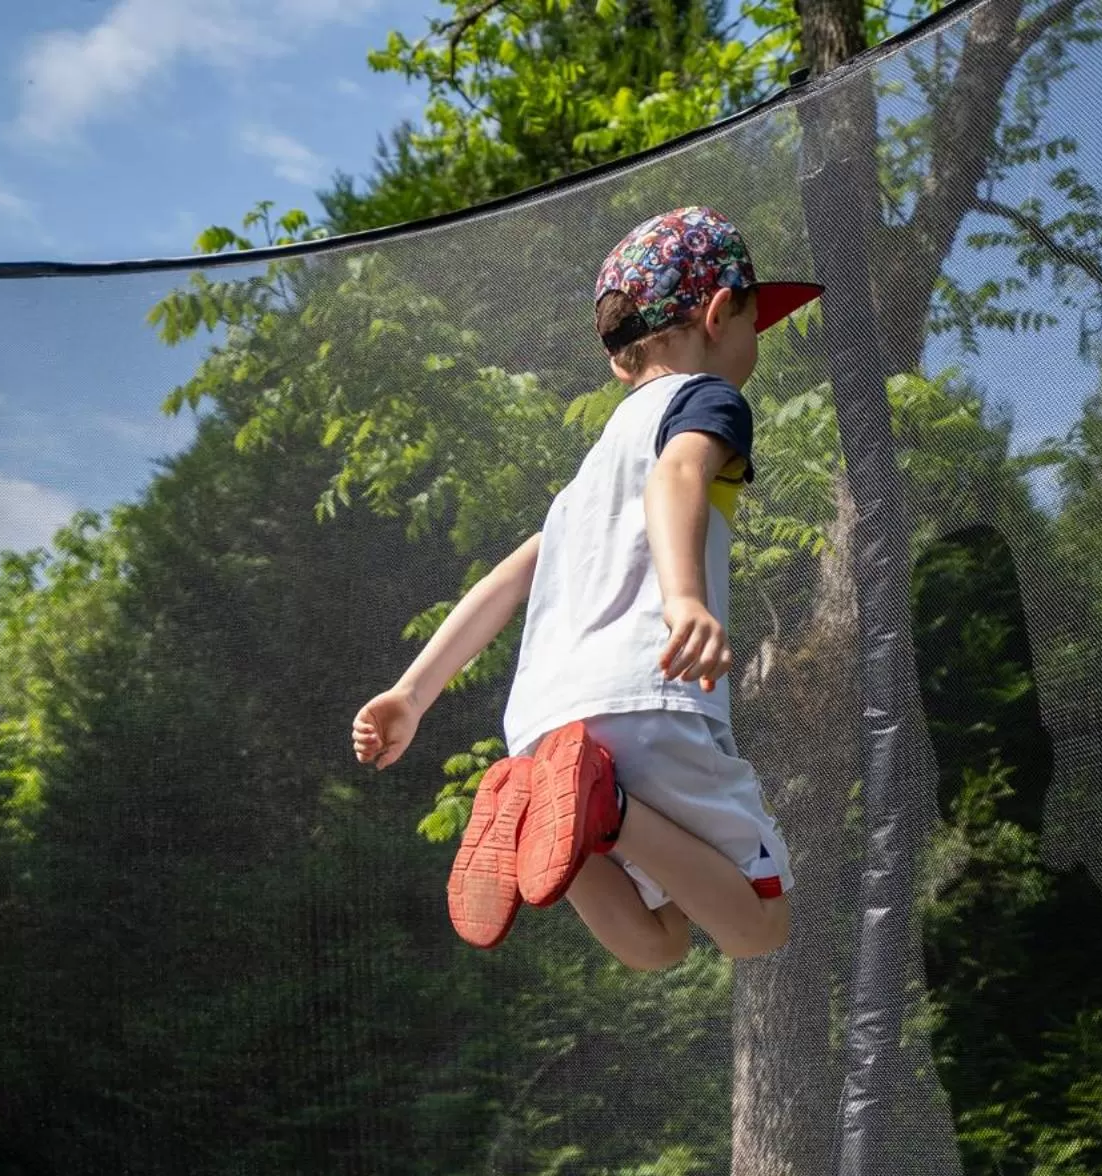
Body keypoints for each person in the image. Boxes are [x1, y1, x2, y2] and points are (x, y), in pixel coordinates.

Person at [352, 205, 822, 970]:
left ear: (617, 360)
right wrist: (682, 599)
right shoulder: (705, 399)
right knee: (759, 926)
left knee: (659, 941)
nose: (751, 346)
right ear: (714, 314)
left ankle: (542, 803)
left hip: (544, 723)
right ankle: (602, 808)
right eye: (750, 325)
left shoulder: (588, 474)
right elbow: (679, 475)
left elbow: (508, 578)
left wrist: (411, 693)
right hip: (647, 692)